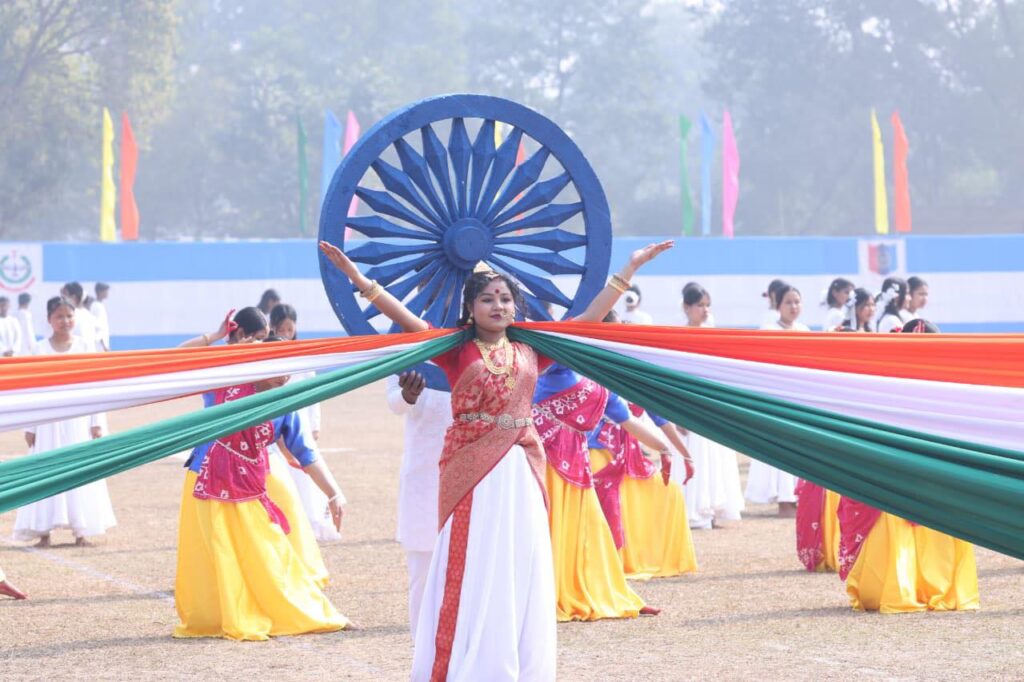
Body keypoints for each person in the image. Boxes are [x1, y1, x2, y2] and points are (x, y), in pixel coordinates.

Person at [320, 237, 672, 681]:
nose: (498, 305)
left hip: (520, 468)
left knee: (517, 560)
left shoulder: (532, 351)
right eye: (487, 298)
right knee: (473, 560)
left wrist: (630, 268)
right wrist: (357, 278)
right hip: (471, 469)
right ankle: (469, 660)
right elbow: (407, 321)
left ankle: (515, 662)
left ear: (515, 307)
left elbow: (586, 320)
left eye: (505, 298)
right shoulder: (456, 349)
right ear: (470, 308)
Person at [174, 317, 347, 640]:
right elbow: (179, 357)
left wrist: (333, 493)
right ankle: (218, 617)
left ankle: (306, 611)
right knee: (215, 557)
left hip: (249, 490)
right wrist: (216, 337)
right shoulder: (223, 385)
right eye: (278, 367)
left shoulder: (284, 405)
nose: (284, 376)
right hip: (205, 484)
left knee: (269, 553)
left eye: (288, 369)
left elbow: (306, 454)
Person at [534, 362, 665, 620]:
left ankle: (611, 591)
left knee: (591, 529)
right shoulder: (548, 367)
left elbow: (627, 421)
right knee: (550, 524)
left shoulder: (599, 384)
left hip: (575, 464)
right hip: (543, 462)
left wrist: (667, 450)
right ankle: (543, 593)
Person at [13, 297, 116, 547]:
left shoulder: (85, 347)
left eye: (69, 316)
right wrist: (30, 426)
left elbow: (95, 387)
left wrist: (96, 422)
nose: (65, 321)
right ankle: (43, 531)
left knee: (79, 469)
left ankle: (82, 531)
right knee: (45, 471)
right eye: (59, 316)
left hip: (78, 421)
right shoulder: (38, 350)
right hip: (47, 422)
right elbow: (31, 391)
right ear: (49, 320)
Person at [386, 369, 452, 640]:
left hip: (470, 470)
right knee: (423, 569)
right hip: (424, 475)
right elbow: (394, 402)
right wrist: (407, 395)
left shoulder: (475, 350)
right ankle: (424, 648)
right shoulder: (410, 354)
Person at [269, 303, 341, 542]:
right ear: (273, 328)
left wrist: (314, 425)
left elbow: (312, 394)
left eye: (290, 330)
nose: (286, 334)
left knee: (306, 474)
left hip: (299, 425)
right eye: (281, 330)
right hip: (277, 428)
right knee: (284, 477)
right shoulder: (268, 358)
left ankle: (311, 522)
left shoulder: (302, 356)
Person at [680, 283, 744, 529]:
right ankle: (694, 512)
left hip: (711, 405)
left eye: (707, 305)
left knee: (714, 459)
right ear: (687, 307)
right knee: (694, 455)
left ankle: (713, 509)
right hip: (689, 406)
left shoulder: (712, 334)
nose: (705, 310)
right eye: (700, 305)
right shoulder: (678, 336)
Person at [749, 283, 807, 515]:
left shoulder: (804, 330)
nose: (793, 307)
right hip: (778, 398)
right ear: (778, 305)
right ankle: (784, 499)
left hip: (800, 397)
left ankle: (797, 496)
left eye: (797, 302)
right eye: (788, 302)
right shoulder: (769, 329)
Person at [60, 282, 101, 352]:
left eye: (64, 296)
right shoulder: (88, 315)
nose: (60, 299)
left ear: (74, 297)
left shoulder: (76, 316)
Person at [90, 282, 111, 351]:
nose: (107, 293)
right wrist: (104, 345)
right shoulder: (97, 306)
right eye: (105, 291)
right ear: (100, 292)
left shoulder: (99, 305)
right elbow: (98, 328)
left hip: (101, 344)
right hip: (99, 345)